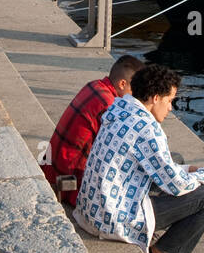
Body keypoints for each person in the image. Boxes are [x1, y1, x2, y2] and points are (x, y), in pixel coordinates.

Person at [74, 64, 204, 253]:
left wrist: (189, 169)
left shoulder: (118, 107)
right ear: (155, 98)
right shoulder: (148, 130)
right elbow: (175, 185)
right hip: (112, 220)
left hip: (89, 209)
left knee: (178, 160)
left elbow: (158, 164)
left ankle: (154, 233)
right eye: (170, 100)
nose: (171, 108)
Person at [42, 55, 146, 206]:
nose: (137, 97)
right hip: (71, 184)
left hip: (53, 170)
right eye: (136, 90)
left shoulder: (94, 85)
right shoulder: (110, 106)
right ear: (122, 84)